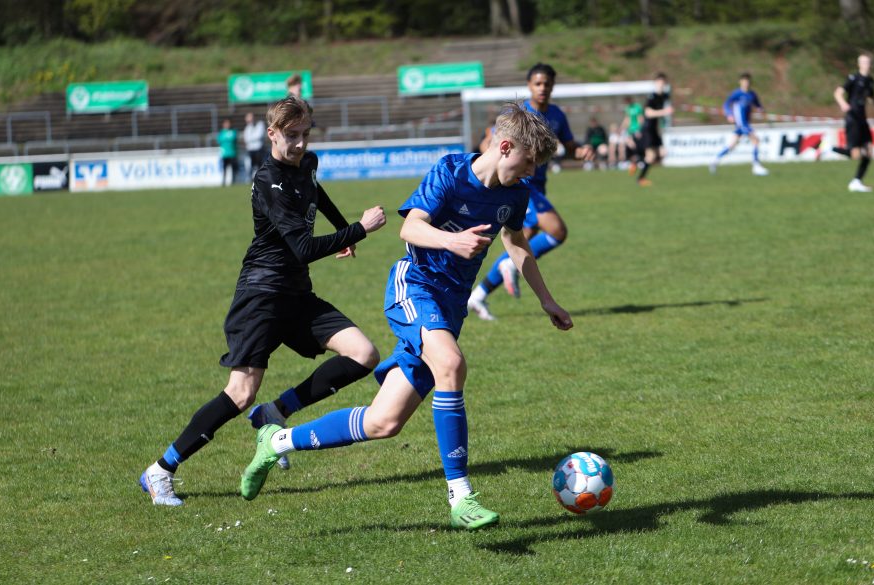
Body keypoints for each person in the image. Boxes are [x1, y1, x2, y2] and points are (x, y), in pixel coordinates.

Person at [239, 103, 574, 530]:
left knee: (384, 421)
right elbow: (410, 228)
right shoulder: (451, 171)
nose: (531, 172)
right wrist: (452, 242)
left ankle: (277, 440)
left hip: (449, 309)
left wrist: (546, 299)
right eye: (528, 161)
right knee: (451, 364)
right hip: (414, 288)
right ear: (505, 147)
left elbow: (516, 242)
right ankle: (461, 497)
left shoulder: (515, 193)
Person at [139, 96, 388, 507]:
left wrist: (343, 227)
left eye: (306, 134)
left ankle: (276, 413)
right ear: (271, 134)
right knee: (241, 393)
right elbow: (303, 248)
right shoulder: (268, 181)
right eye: (291, 136)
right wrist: (359, 229)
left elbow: (316, 191)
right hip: (261, 294)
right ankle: (160, 470)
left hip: (296, 293)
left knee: (364, 354)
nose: (300, 144)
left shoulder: (306, 162)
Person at [467, 63, 594, 321]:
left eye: (547, 83)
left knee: (520, 242)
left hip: (538, 185)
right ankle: (505, 266)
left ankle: (478, 295)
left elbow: (570, 146)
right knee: (557, 231)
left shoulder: (557, 115)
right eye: (538, 83)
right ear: (529, 85)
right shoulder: (520, 115)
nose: (542, 88)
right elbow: (491, 141)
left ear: (553, 86)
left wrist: (580, 151)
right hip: (522, 185)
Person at [832, 53, 874, 192]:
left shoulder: (870, 81)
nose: (867, 65)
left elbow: (872, 99)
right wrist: (843, 104)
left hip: (862, 119)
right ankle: (828, 149)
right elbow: (838, 93)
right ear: (859, 64)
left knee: (869, 151)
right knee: (855, 154)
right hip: (852, 118)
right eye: (864, 62)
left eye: (869, 62)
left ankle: (857, 181)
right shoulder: (853, 78)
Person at [709, 73, 770, 176]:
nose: (746, 83)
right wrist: (729, 114)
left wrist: (761, 109)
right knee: (755, 140)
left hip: (744, 123)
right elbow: (726, 104)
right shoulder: (737, 94)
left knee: (731, 146)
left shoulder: (752, 94)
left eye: (748, 81)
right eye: (744, 81)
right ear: (740, 82)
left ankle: (715, 161)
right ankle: (756, 166)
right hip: (742, 123)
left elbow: (758, 104)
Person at [635, 73, 674, 187]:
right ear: (656, 83)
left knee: (663, 153)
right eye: (659, 82)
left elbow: (670, 104)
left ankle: (638, 164)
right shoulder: (652, 97)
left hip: (655, 129)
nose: (661, 85)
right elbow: (648, 113)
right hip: (648, 129)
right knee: (651, 156)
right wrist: (664, 112)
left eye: (663, 83)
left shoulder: (665, 96)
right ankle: (640, 177)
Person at [620, 96, 644, 174]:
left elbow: (640, 118)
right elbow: (627, 119)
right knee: (629, 144)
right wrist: (622, 127)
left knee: (637, 145)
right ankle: (630, 161)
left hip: (637, 130)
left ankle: (639, 161)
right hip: (630, 131)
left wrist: (639, 129)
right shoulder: (627, 108)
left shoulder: (637, 107)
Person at [242, 111, 267, 179]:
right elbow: (246, 139)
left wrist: (251, 138)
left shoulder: (260, 124)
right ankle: (252, 178)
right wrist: (253, 138)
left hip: (259, 149)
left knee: (260, 165)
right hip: (250, 150)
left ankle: (261, 178)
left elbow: (259, 136)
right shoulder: (247, 127)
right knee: (251, 166)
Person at [218, 118, 238, 186]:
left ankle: (233, 182)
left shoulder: (233, 131)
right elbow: (219, 140)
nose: (227, 125)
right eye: (226, 123)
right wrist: (227, 138)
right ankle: (223, 182)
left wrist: (226, 139)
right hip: (224, 154)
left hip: (232, 153)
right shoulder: (221, 132)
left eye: (228, 123)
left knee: (233, 169)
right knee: (224, 169)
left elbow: (233, 138)